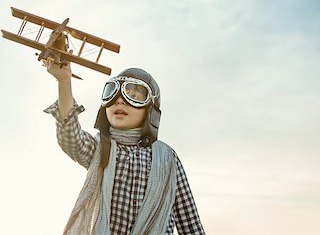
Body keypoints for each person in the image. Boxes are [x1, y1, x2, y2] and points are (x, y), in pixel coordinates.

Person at [43, 56, 206, 235]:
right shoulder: (101, 148)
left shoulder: (168, 159)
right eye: (112, 95)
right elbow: (70, 137)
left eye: (134, 95)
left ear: (150, 109)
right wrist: (64, 81)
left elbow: (190, 223)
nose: (120, 101)